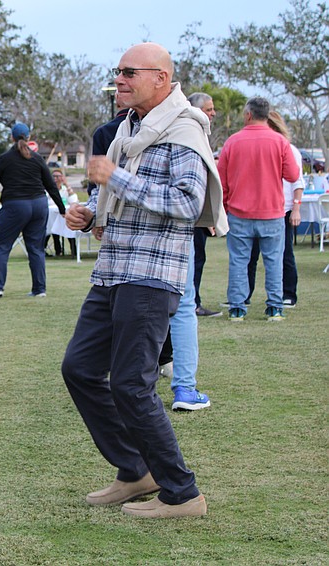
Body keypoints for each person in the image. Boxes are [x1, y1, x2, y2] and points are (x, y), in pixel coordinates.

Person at [62, 43, 225, 517]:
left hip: (153, 276)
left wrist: (115, 180)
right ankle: (135, 471)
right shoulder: (128, 130)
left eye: (130, 72)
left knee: (132, 383)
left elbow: (186, 204)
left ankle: (182, 493)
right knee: (80, 369)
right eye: (117, 72)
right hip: (114, 270)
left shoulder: (184, 130)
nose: (120, 80)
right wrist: (89, 212)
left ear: (162, 77)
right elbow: (119, 200)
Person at [218, 97, 299, 322]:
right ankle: (274, 307)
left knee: (238, 261)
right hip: (272, 213)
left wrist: (225, 207)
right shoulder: (280, 142)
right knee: (274, 261)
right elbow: (292, 175)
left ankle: (237, 307)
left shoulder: (232, 142)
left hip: (239, 212)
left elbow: (222, 180)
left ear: (248, 115)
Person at [0, 123, 65, 299]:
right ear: (29, 137)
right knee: (36, 248)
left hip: (16, 205)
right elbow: (51, 185)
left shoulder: (5, 159)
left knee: (0, 246)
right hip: (39, 205)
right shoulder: (37, 158)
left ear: (12, 138)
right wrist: (61, 208)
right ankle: (39, 289)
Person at [246, 111, 304, 308]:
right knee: (249, 256)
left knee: (284, 253)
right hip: (259, 208)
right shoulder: (258, 147)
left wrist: (296, 209)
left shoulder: (289, 149)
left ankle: (288, 293)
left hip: (283, 209)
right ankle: (243, 294)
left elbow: (298, 181)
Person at [186, 92, 220, 317]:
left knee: (198, 258)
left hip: (199, 214)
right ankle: (192, 303)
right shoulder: (190, 136)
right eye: (209, 109)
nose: (213, 113)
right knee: (194, 259)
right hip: (190, 213)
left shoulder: (200, 135)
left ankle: (193, 301)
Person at [50, 169, 79, 256]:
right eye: (53, 176)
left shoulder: (65, 190)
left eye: (58, 176)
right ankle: (58, 251)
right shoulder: (48, 189)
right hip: (52, 216)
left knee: (69, 229)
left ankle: (74, 250)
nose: (56, 178)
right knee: (53, 230)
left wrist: (67, 185)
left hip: (65, 216)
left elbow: (74, 200)